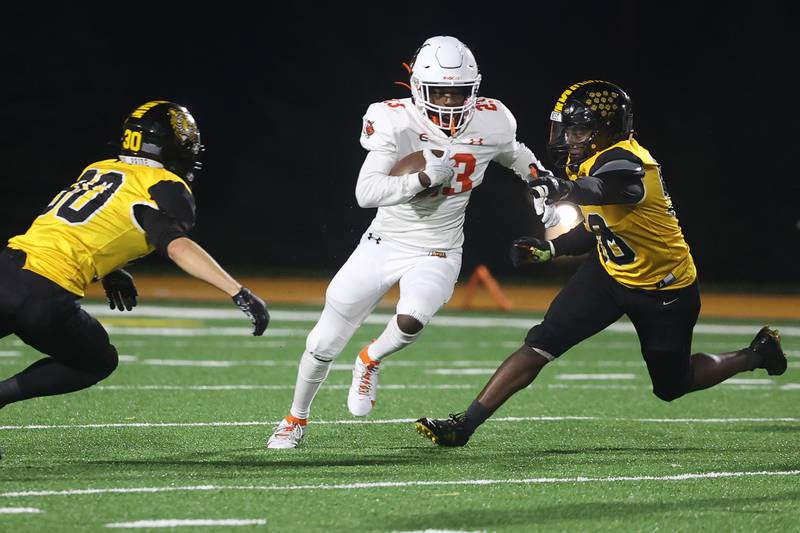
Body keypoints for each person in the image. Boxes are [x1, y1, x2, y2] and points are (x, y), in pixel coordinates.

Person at [415, 80, 787, 447]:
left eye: (578, 129)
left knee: (672, 386)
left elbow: (621, 189)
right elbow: (599, 227)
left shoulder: (629, 161)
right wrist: (553, 250)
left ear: (605, 130)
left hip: (664, 291)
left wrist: (564, 189)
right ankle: (464, 425)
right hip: (608, 275)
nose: (568, 137)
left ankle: (756, 355)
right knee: (541, 342)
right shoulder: (588, 164)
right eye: (566, 128)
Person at [266, 36, 558, 449]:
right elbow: (365, 193)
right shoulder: (393, 120)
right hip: (384, 240)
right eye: (439, 90)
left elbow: (513, 152)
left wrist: (539, 178)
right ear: (417, 86)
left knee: (413, 317)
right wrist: (422, 179)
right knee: (323, 342)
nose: (448, 100)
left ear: (474, 89)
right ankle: (295, 419)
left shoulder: (492, 119)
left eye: (457, 91)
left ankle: (370, 359)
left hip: (439, 248)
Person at [0, 100, 270, 412]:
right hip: (43, 295)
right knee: (96, 360)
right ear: (170, 146)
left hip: (7, 267)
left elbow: (83, 226)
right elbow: (176, 245)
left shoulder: (100, 168)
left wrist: (111, 269)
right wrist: (238, 292)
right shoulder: (164, 186)